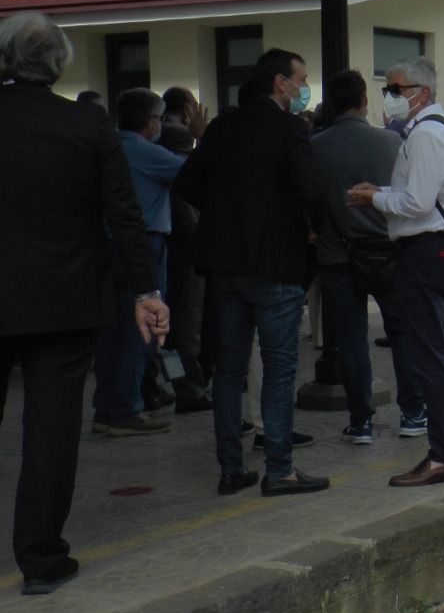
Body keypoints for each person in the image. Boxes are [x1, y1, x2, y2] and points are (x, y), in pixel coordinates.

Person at [0, 13, 168, 595]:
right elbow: (125, 214)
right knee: (51, 431)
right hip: (66, 300)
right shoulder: (87, 124)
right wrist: (147, 292)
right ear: (59, 65)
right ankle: (42, 560)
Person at [176, 48, 329, 498]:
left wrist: (223, 217)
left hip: (225, 265)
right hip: (276, 263)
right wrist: (314, 228)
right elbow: (313, 189)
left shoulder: (222, 127)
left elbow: (186, 183)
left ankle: (230, 468)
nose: (303, 89)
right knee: (280, 367)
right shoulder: (289, 129)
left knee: (229, 369)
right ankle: (280, 469)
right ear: (280, 84)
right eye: (300, 80)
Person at [349, 57, 444, 485]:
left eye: (395, 88)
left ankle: (442, 454)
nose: (389, 96)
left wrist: (375, 200)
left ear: (420, 93)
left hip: (426, 251)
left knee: (432, 355)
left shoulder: (425, 132)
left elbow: (418, 203)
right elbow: (426, 191)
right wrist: (385, 192)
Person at [309, 69, 424, 445]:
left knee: (352, 340)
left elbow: (310, 203)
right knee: (402, 333)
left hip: (337, 253)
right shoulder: (391, 143)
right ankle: (412, 413)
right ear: (363, 100)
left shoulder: (315, 146)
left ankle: (361, 422)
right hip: (389, 251)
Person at [92, 87, 185, 437]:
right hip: (145, 243)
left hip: (105, 243)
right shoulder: (148, 152)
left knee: (110, 330)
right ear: (150, 121)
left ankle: (106, 407)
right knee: (140, 328)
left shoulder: (106, 147)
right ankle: (125, 409)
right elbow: (195, 173)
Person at [158, 86, 214, 412]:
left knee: (171, 332)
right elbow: (190, 213)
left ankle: (177, 384)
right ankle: (191, 389)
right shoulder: (178, 149)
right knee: (188, 326)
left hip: (165, 250)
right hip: (187, 254)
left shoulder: (153, 144)